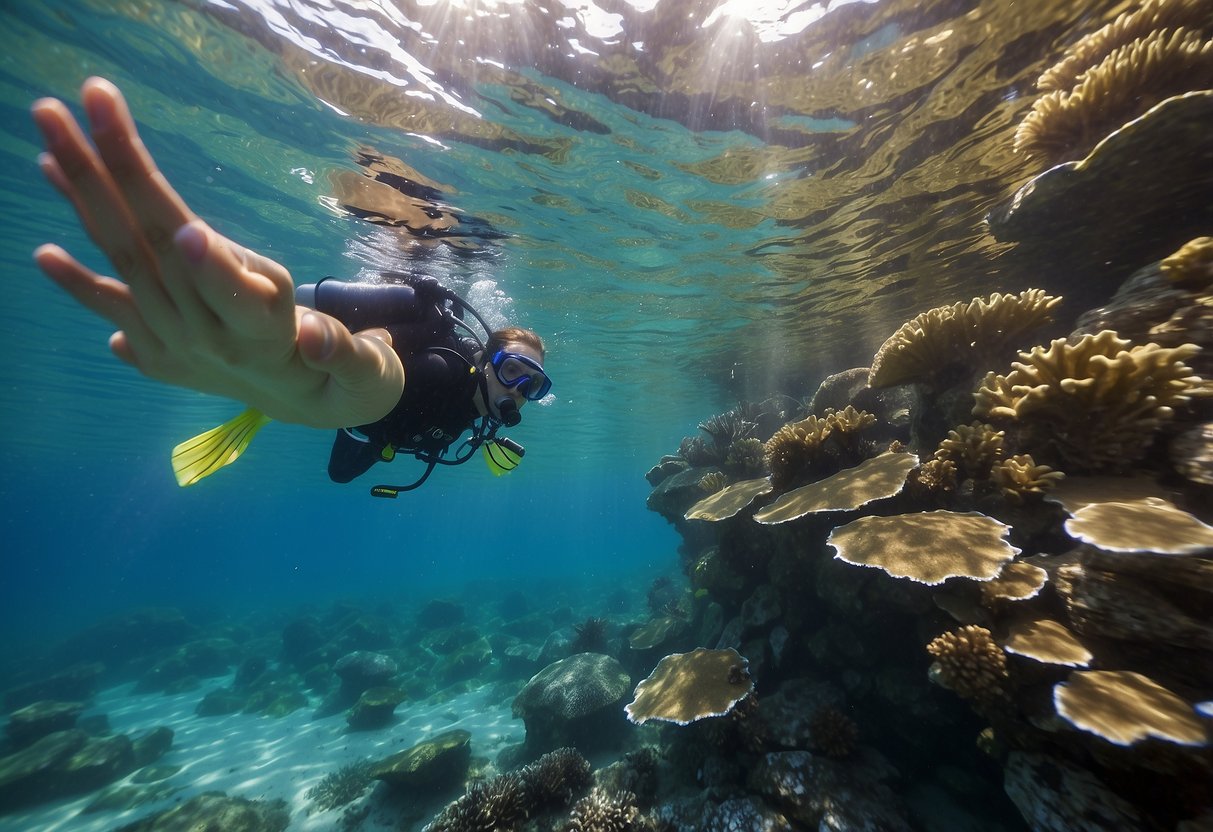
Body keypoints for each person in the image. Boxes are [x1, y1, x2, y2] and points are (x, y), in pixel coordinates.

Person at [31, 77, 550, 496]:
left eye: (533, 385)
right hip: (353, 404)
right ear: (485, 360)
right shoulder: (443, 370)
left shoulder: (481, 412)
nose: (518, 392)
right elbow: (383, 360)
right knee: (342, 465)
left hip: (356, 418)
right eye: (513, 372)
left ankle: (305, 402)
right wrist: (331, 373)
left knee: (340, 477)